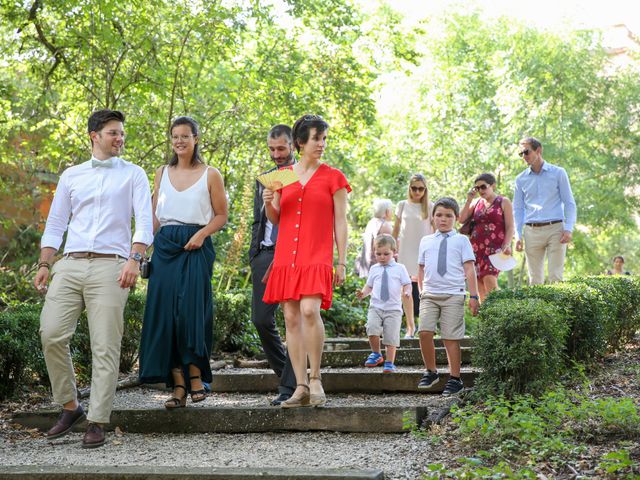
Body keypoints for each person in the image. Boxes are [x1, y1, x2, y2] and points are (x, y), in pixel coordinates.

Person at [33, 109, 153, 448]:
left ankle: (97, 420)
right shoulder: (72, 175)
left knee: (105, 345)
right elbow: (56, 223)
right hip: (69, 264)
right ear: (94, 135)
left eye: (122, 133)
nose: (120, 138)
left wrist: (134, 259)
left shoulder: (134, 174)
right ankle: (71, 406)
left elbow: (144, 222)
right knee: (51, 333)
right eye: (113, 133)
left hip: (112, 266)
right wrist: (45, 262)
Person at [138, 116, 228, 409]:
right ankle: (177, 385)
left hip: (195, 247)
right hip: (165, 247)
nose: (179, 141)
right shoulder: (161, 172)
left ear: (196, 139)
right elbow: (153, 216)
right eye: (175, 136)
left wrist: (202, 235)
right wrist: (138, 251)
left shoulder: (211, 174)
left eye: (185, 136)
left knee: (190, 314)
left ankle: (195, 376)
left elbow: (221, 216)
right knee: (165, 316)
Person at [262, 114, 350, 408]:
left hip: (317, 254)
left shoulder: (334, 177)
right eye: (316, 138)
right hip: (287, 255)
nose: (322, 144)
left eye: (324, 138)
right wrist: (268, 202)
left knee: (310, 310)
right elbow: (276, 218)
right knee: (290, 316)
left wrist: (342, 261)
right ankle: (299, 386)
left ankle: (316, 379)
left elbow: (341, 221)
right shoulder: (283, 174)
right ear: (301, 142)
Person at [248, 124, 297, 406]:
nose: (276, 154)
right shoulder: (264, 178)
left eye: (281, 148)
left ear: (292, 146)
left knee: (293, 320)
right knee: (261, 320)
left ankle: (289, 386)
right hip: (264, 254)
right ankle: (288, 376)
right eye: (271, 149)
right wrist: (254, 255)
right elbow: (260, 219)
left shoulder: (301, 176)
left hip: (291, 255)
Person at [415, 198, 479, 396]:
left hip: (453, 294)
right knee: (424, 331)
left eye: (448, 216)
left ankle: (455, 378)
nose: (443, 219)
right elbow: (421, 268)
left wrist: (474, 295)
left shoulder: (461, 240)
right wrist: (421, 290)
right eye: (439, 215)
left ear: (456, 218)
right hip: (430, 295)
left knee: (450, 337)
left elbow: (469, 269)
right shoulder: (426, 241)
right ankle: (431, 371)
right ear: (433, 218)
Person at [513, 137, 577, 285]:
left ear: (538, 150)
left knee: (556, 277)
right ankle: (538, 308)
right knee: (534, 280)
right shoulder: (520, 179)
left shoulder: (559, 173)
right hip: (531, 230)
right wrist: (518, 234)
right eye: (521, 153)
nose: (524, 156)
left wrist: (568, 228)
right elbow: (518, 209)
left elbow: (569, 203)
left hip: (556, 229)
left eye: (526, 152)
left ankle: (557, 308)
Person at [356, 234, 412, 373]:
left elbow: (407, 283)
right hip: (376, 307)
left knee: (391, 337)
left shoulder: (400, 268)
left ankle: (389, 362)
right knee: (372, 328)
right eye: (378, 254)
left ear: (394, 252)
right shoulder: (374, 269)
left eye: (386, 254)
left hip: (393, 309)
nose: (382, 257)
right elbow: (369, 286)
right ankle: (376, 354)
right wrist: (363, 294)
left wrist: (407, 292)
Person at [459, 173, 515, 301]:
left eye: (483, 187)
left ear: (493, 185)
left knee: (490, 280)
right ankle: (487, 318)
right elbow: (461, 219)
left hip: (494, 250)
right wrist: (469, 199)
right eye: (477, 188)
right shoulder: (476, 202)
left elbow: (510, 227)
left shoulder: (503, 201)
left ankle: (501, 314)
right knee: (480, 286)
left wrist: (506, 245)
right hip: (476, 249)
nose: (480, 190)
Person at [392, 173, 433, 338]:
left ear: (425, 190)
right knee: (405, 290)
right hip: (405, 252)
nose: (417, 192)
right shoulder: (402, 205)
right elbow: (395, 230)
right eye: (414, 188)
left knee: (426, 290)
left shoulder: (430, 206)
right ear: (409, 188)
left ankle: (426, 326)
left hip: (424, 252)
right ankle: (410, 327)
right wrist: (391, 247)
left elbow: (436, 231)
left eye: (421, 189)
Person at [354, 198, 393, 278]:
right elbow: (393, 247)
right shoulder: (385, 225)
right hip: (380, 266)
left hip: (369, 265)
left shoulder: (372, 222)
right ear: (387, 211)